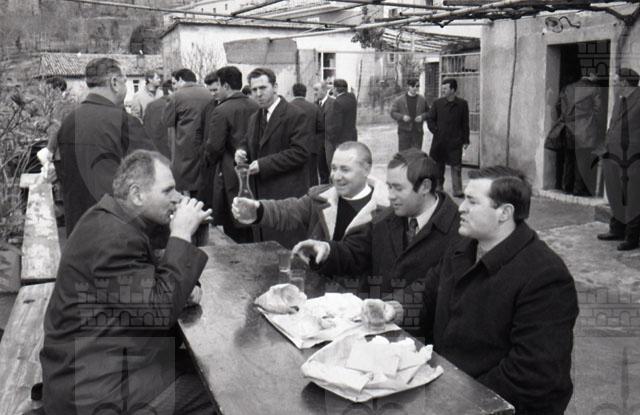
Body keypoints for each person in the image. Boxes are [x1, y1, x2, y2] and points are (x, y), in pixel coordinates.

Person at [40, 150, 214, 414]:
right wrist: (180, 234)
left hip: (95, 365)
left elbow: (145, 279)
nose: (178, 198)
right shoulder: (114, 237)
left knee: (201, 363)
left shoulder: (111, 220)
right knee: (215, 390)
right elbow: (160, 310)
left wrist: (184, 281)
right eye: (168, 190)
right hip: (93, 387)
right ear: (137, 194)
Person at [418, 166, 578, 414]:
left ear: (504, 213)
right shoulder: (463, 245)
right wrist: (394, 309)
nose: (461, 208)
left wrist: (456, 399)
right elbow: (427, 294)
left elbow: (533, 374)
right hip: (449, 391)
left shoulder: (545, 276)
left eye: (472, 201)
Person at [292, 149, 459, 334]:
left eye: (398, 188)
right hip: (377, 329)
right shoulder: (386, 217)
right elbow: (356, 251)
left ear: (425, 187)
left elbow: (435, 290)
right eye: (389, 187)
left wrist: (395, 308)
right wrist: (326, 250)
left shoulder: (458, 231)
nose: (390, 195)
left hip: (423, 340)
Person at [56, 57, 152, 236]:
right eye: (125, 81)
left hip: (78, 230)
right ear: (114, 82)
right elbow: (152, 175)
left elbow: (63, 176)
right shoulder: (124, 122)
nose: (126, 87)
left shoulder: (68, 122)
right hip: (117, 231)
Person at [232, 141, 388, 244]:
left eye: (345, 169)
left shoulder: (388, 210)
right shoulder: (319, 198)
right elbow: (288, 211)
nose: (336, 176)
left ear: (366, 169)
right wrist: (257, 209)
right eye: (334, 168)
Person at [234, 67, 310, 248]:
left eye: (263, 88)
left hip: (285, 197)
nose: (258, 94)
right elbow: (247, 141)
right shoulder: (254, 117)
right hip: (260, 197)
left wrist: (263, 165)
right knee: (264, 249)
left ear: (275, 87)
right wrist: (241, 151)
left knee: (285, 250)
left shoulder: (296, 114)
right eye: (254, 89)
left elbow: (300, 152)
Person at [206, 66, 258, 243]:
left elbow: (215, 146)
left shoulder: (221, 110)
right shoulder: (255, 105)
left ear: (226, 86)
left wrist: (209, 161)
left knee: (234, 223)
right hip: (254, 169)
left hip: (230, 172)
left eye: (219, 85)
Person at [597, 67, 640, 251]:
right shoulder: (619, 101)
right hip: (612, 155)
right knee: (614, 193)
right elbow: (612, 126)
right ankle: (617, 229)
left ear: (624, 82)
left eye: (615, 81)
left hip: (633, 158)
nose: (614, 85)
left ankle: (632, 236)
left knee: (632, 197)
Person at [163, 68, 212, 195]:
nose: (174, 86)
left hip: (185, 147)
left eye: (175, 82)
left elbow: (167, 121)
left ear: (180, 79)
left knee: (186, 188)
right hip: (207, 145)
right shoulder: (209, 93)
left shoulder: (176, 96)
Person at [558, 71, 603, 196]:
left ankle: (566, 187)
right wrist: (598, 127)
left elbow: (559, 106)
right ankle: (578, 190)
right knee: (582, 161)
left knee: (569, 158)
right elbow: (598, 111)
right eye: (597, 75)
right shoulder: (594, 89)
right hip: (585, 129)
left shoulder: (568, 88)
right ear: (591, 74)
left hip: (568, 129)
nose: (598, 78)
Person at [427, 78, 469, 198]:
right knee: (438, 165)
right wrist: (436, 131)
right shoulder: (437, 103)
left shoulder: (462, 104)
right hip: (439, 141)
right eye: (442, 88)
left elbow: (465, 123)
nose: (443, 90)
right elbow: (430, 119)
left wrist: (466, 140)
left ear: (453, 90)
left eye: (445, 88)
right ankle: (438, 187)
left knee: (456, 166)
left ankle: (457, 190)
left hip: (455, 141)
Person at [290, 82, 324, 186]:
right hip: (311, 148)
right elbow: (321, 128)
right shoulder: (314, 107)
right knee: (312, 177)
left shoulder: (287, 107)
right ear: (305, 93)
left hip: (292, 148)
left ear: (293, 92)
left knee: (294, 176)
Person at [390, 78, 429, 151]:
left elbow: (429, 112)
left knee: (416, 154)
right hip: (404, 132)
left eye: (417, 86)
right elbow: (393, 113)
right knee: (404, 154)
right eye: (412, 86)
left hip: (417, 132)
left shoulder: (422, 99)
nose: (415, 88)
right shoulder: (399, 100)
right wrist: (402, 117)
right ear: (408, 86)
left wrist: (422, 117)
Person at [325, 78, 357, 166]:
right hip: (352, 135)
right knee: (350, 161)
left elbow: (337, 125)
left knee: (341, 162)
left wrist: (332, 138)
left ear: (335, 89)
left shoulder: (337, 102)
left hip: (341, 138)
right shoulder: (352, 97)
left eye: (333, 88)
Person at [143, 79, 173, 159]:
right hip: (171, 152)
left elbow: (145, 127)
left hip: (154, 150)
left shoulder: (151, 105)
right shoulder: (175, 105)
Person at [312, 80, 334, 183]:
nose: (314, 93)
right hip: (318, 146)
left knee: (333, 173)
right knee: (322, 174)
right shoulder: (314, 105)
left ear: (325, 90)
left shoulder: (334, 103)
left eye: (316, 90)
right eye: (314, 90)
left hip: (331, 144)